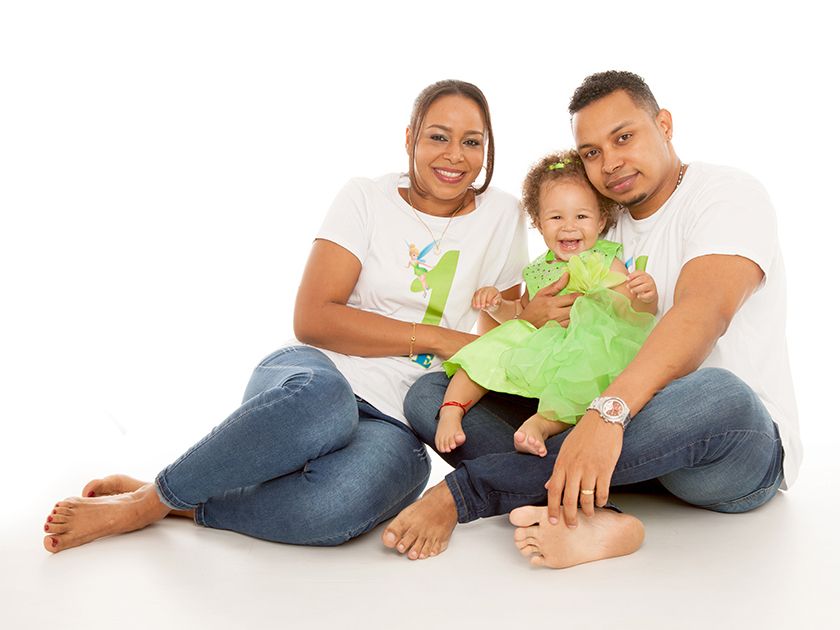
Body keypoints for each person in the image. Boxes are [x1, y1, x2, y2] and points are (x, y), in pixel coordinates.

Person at [41, 79, 529, 554]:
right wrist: (439, 339)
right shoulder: (365, 197)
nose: (454, 156)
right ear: (409, 138)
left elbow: (493, 344)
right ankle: (148, 503)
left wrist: (533, 322)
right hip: (316, 377)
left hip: (398, 417)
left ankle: (183, 503)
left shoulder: (504, 215)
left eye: (472, 142)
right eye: (437, 137)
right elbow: (313, 318)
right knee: (327, 404)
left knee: (343, 503)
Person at [382, 70, 802, 568]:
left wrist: (608, 412)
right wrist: (533, 315)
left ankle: (471, 492)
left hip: (718, 445)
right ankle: (599, 511)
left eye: (624, 137)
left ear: (664, 125)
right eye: (592, 152)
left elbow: (701, 315)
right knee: (434, 393)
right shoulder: (596, 218)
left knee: (721, 392)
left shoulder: (726, 194)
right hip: (615, 444)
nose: (610, 162)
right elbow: (519, 342)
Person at [435, 150, 658, 458]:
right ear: (539, 224)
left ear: (601, 219)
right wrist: (497, 305)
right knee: (488, 349)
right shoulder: (539, 269)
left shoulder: (604, 259)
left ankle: (541, 425)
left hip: (581, 346)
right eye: (556, 217)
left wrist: (645, 295)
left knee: (582, 375)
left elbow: (630, 314)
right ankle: (451, 409)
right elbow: (521, 314)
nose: (569, 227)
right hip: (541, 347)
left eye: (581, 216)